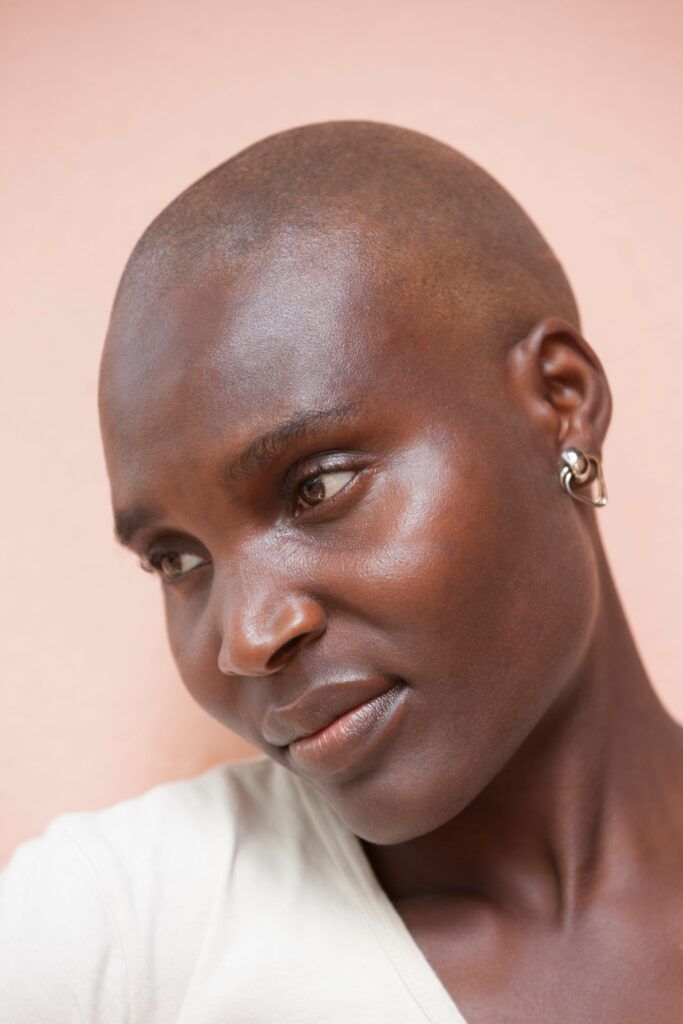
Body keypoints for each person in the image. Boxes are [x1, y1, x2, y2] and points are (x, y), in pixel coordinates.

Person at [1, 121, 681, 1023]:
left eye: (316, 486)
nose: (247, 639)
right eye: (176, 559)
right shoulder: (114, 928)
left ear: (560, 402)